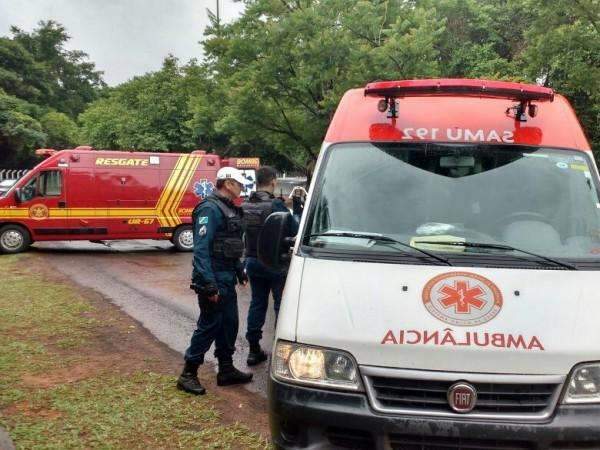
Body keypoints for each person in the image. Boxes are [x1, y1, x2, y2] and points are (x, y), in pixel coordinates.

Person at [177, 166, 253, 395]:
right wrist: (208, 283)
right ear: (228, 183)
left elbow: (230, 245)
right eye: (239, 184)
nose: (242, 188)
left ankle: (226, 369)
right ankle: (188, 374)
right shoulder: (209, 209)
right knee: (209, 325)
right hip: (213, 278)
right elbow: (201, 250)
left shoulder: (228, 209)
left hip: (227, 276)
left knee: (229, 324)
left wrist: (240, 271)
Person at [242, 166, 301, 365]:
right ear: (274, 181)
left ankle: (253, 349)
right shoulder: (276, 205)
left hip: (252, 261)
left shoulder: (245, 204)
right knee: (279, 306)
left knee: (257, 304)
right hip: (274, 263)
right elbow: (294, 228)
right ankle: (280, 352)